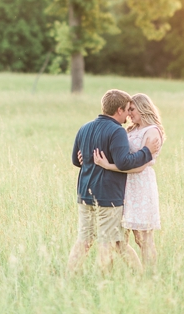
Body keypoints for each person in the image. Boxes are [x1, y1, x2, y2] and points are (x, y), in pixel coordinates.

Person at [67, 89, 153, 273]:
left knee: (85, 239)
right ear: (119, 110)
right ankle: (105, 283)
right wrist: (146, 152)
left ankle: (68, 276)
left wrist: (87, 159)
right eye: (127, 110)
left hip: (84, 194)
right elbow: (123, 162)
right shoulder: (117, 131)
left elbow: (76, 160)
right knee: (107, 241)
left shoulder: (85, 128)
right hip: (107, 196)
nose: (128, 115)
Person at [92, 93, 165, 270]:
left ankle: (149, 276)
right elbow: (116, 151)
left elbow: (140, 166)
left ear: (143, 108)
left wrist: (108, 166)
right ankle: (135, 273)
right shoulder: (130, 130)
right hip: (122, 186)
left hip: (141, 186)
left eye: (132, 109)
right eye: (128, 109)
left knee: (143, 239)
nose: (129, 114)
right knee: (119, 238)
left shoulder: (153, 131)